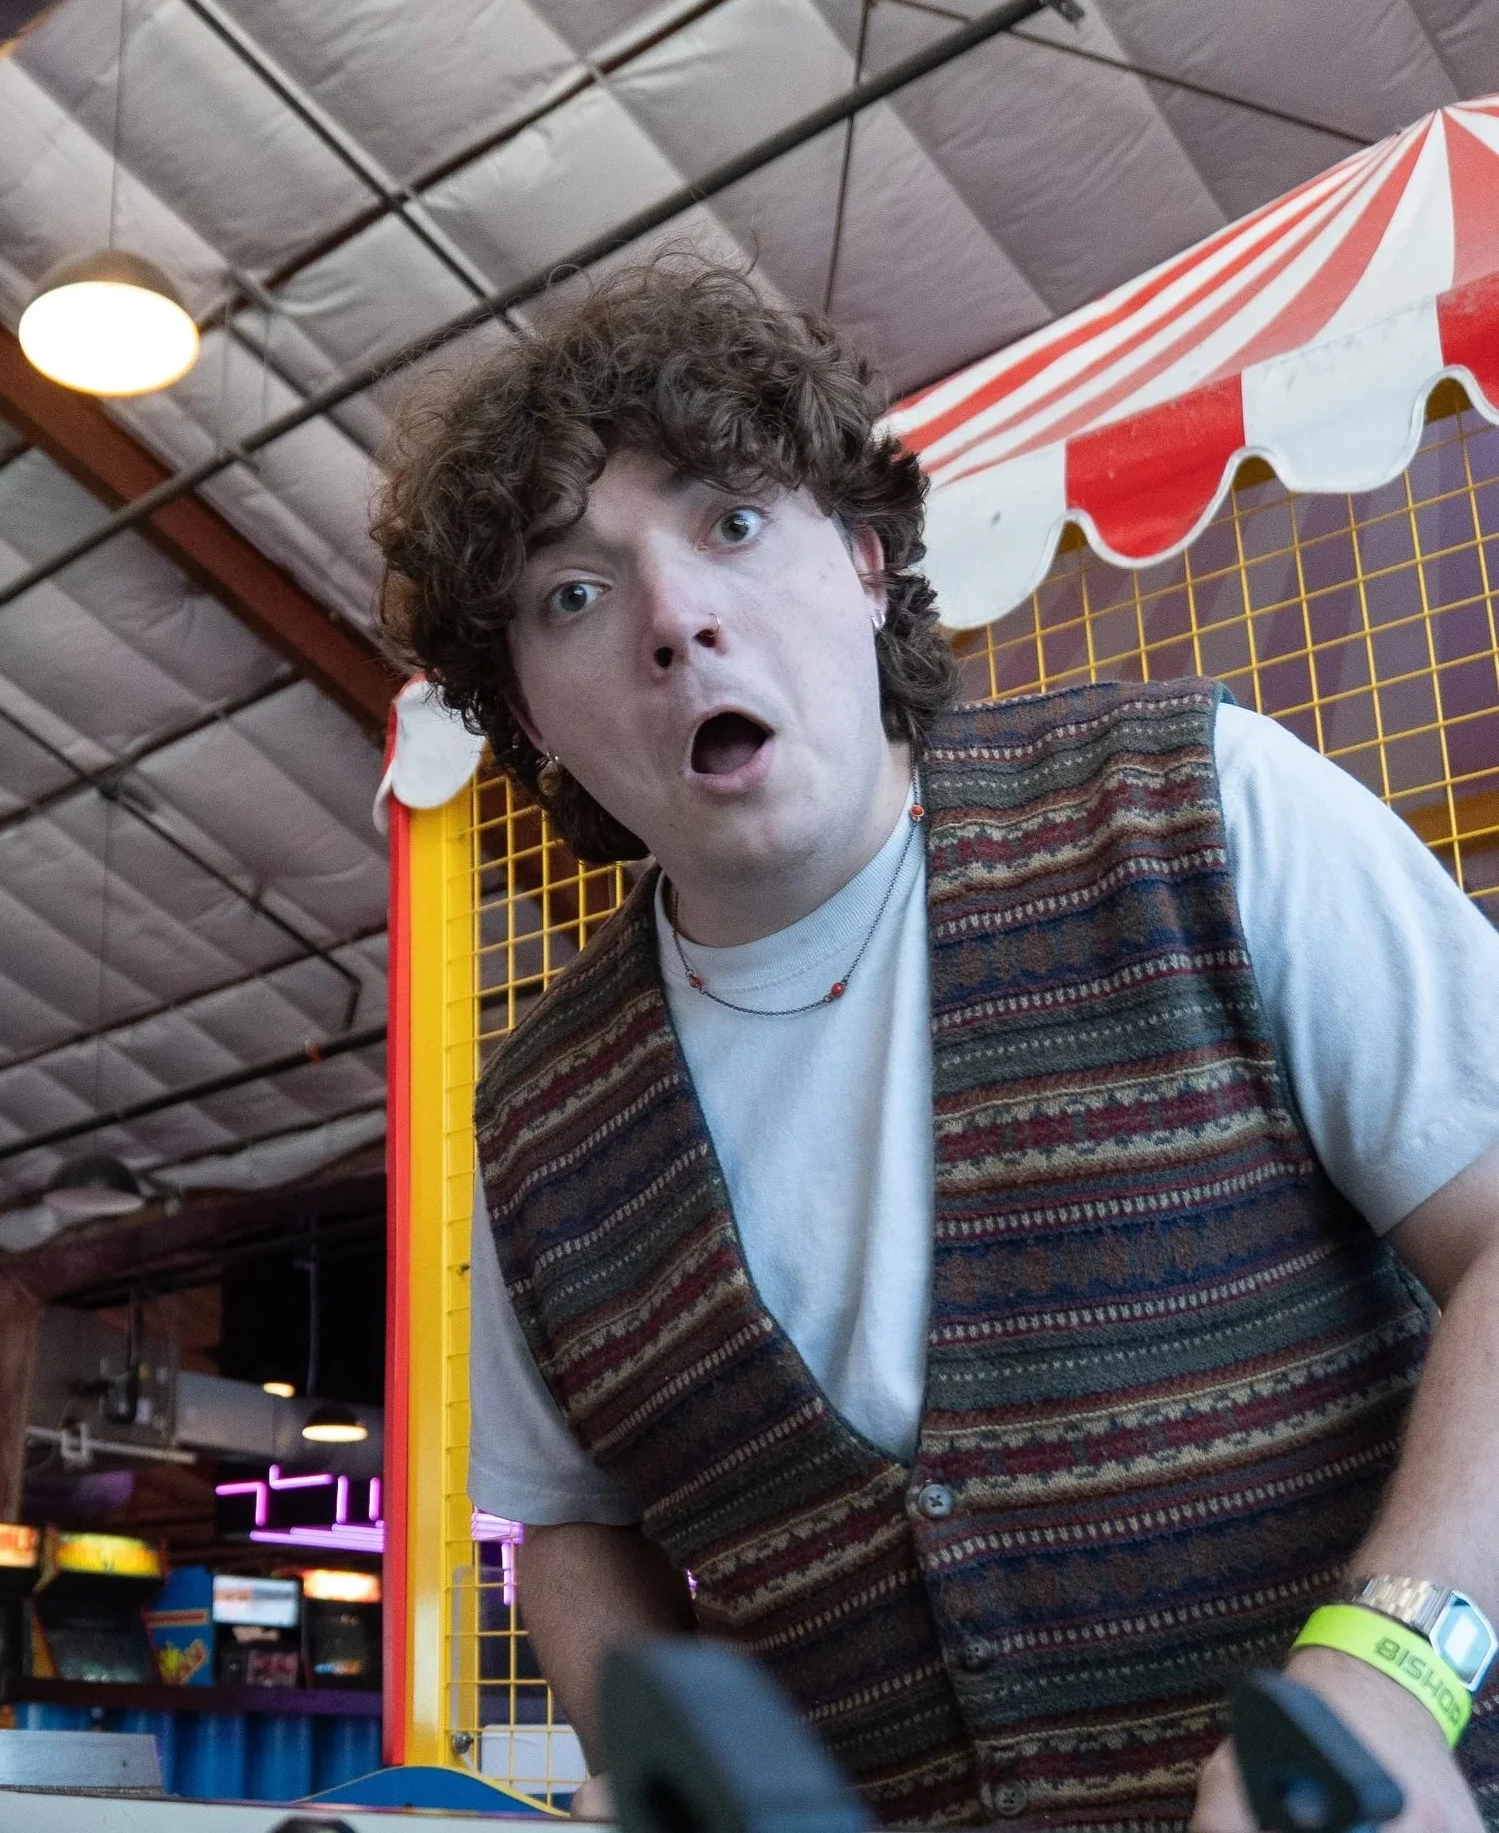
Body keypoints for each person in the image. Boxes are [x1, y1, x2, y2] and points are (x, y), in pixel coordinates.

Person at [373, 261, 1499, 1833]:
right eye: (572, 594)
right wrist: (664, 1768)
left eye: (730, 522)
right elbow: (571, 1526)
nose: (675, 618)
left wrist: (1395, 1665)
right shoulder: (540, 1123)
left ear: (862, 559)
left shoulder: (1191, 810)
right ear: (529, 719)